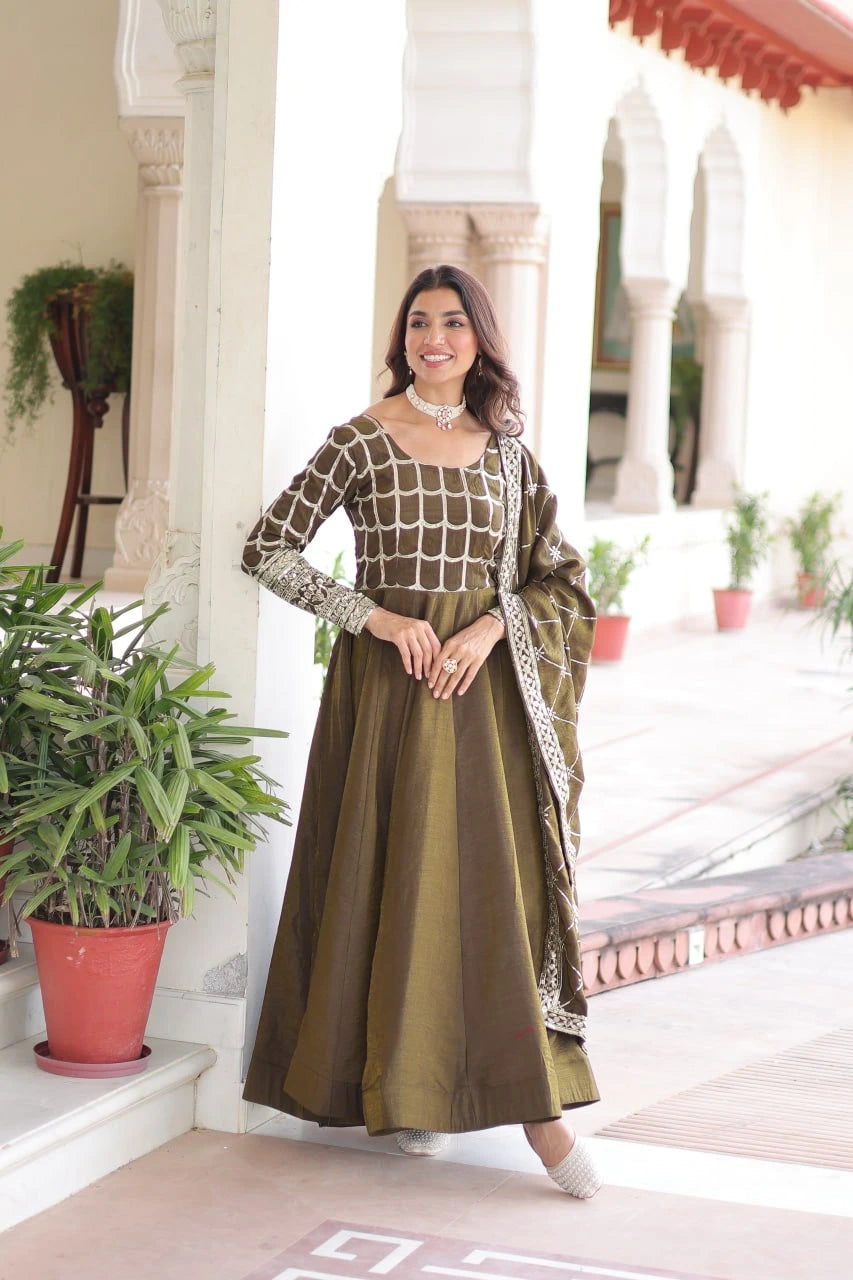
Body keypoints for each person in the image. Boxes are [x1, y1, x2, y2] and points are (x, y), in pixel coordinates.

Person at [241, 264, 602, 1199]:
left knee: (483, 892)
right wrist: (375, 618)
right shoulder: (360, 440)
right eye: (416, 323)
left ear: (479, 338)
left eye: (451, 322)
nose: (431, 338)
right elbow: (267, 547)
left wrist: (487, 628)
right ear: (400, 338)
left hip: (480, 702)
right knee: (390, 875)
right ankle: (404, 1092)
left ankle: (536, 1115)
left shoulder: (511, 454)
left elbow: (557, 579)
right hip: (387, 697)